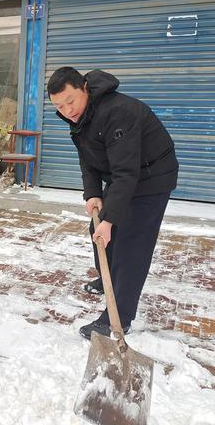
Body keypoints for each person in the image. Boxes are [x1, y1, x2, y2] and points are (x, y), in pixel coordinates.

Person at [47, 67, 178, 339]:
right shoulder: (82, 115)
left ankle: (118, 317)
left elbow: (126, 173)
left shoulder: (116, 112)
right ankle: (109, 280)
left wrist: (109, 219)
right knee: (100, 234)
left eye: (70, 101)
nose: (67, 110)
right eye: (59, 106)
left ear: (84, 87)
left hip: (152, 176)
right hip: (124, 175)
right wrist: (92, 193)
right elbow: (88, 158)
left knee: (131, 245)